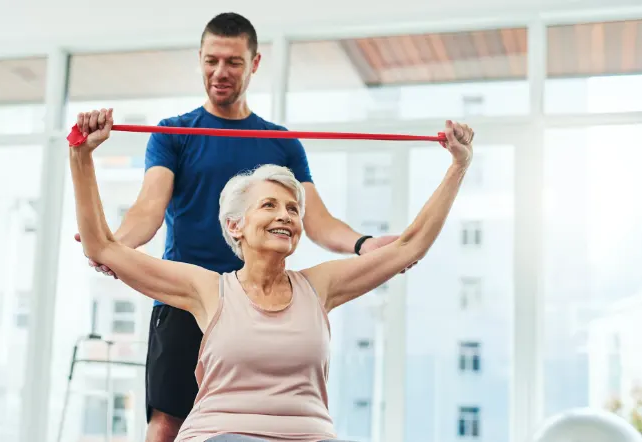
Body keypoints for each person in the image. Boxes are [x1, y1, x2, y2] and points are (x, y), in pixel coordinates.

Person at [73, 12, 412, 442]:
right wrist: (112, 246)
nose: (220, 72)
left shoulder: (280, 142)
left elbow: (318, 220)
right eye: (211, 60)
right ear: (199, 59)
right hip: (184, 296)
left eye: (233, 62)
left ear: (254, 64)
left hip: (257, 299)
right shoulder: (173, 133)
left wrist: (364, 245)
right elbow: (147, 211)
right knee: (166, 426)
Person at [68, 108, 474, 441]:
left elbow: (409, 246)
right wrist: (81, 157)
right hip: (222, 434)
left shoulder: (320, 286)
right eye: (269, 205)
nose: (284, 215)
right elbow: (102, 246)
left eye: (293, 209)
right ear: (235, 226)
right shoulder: (207, 289)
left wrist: (459, 166)